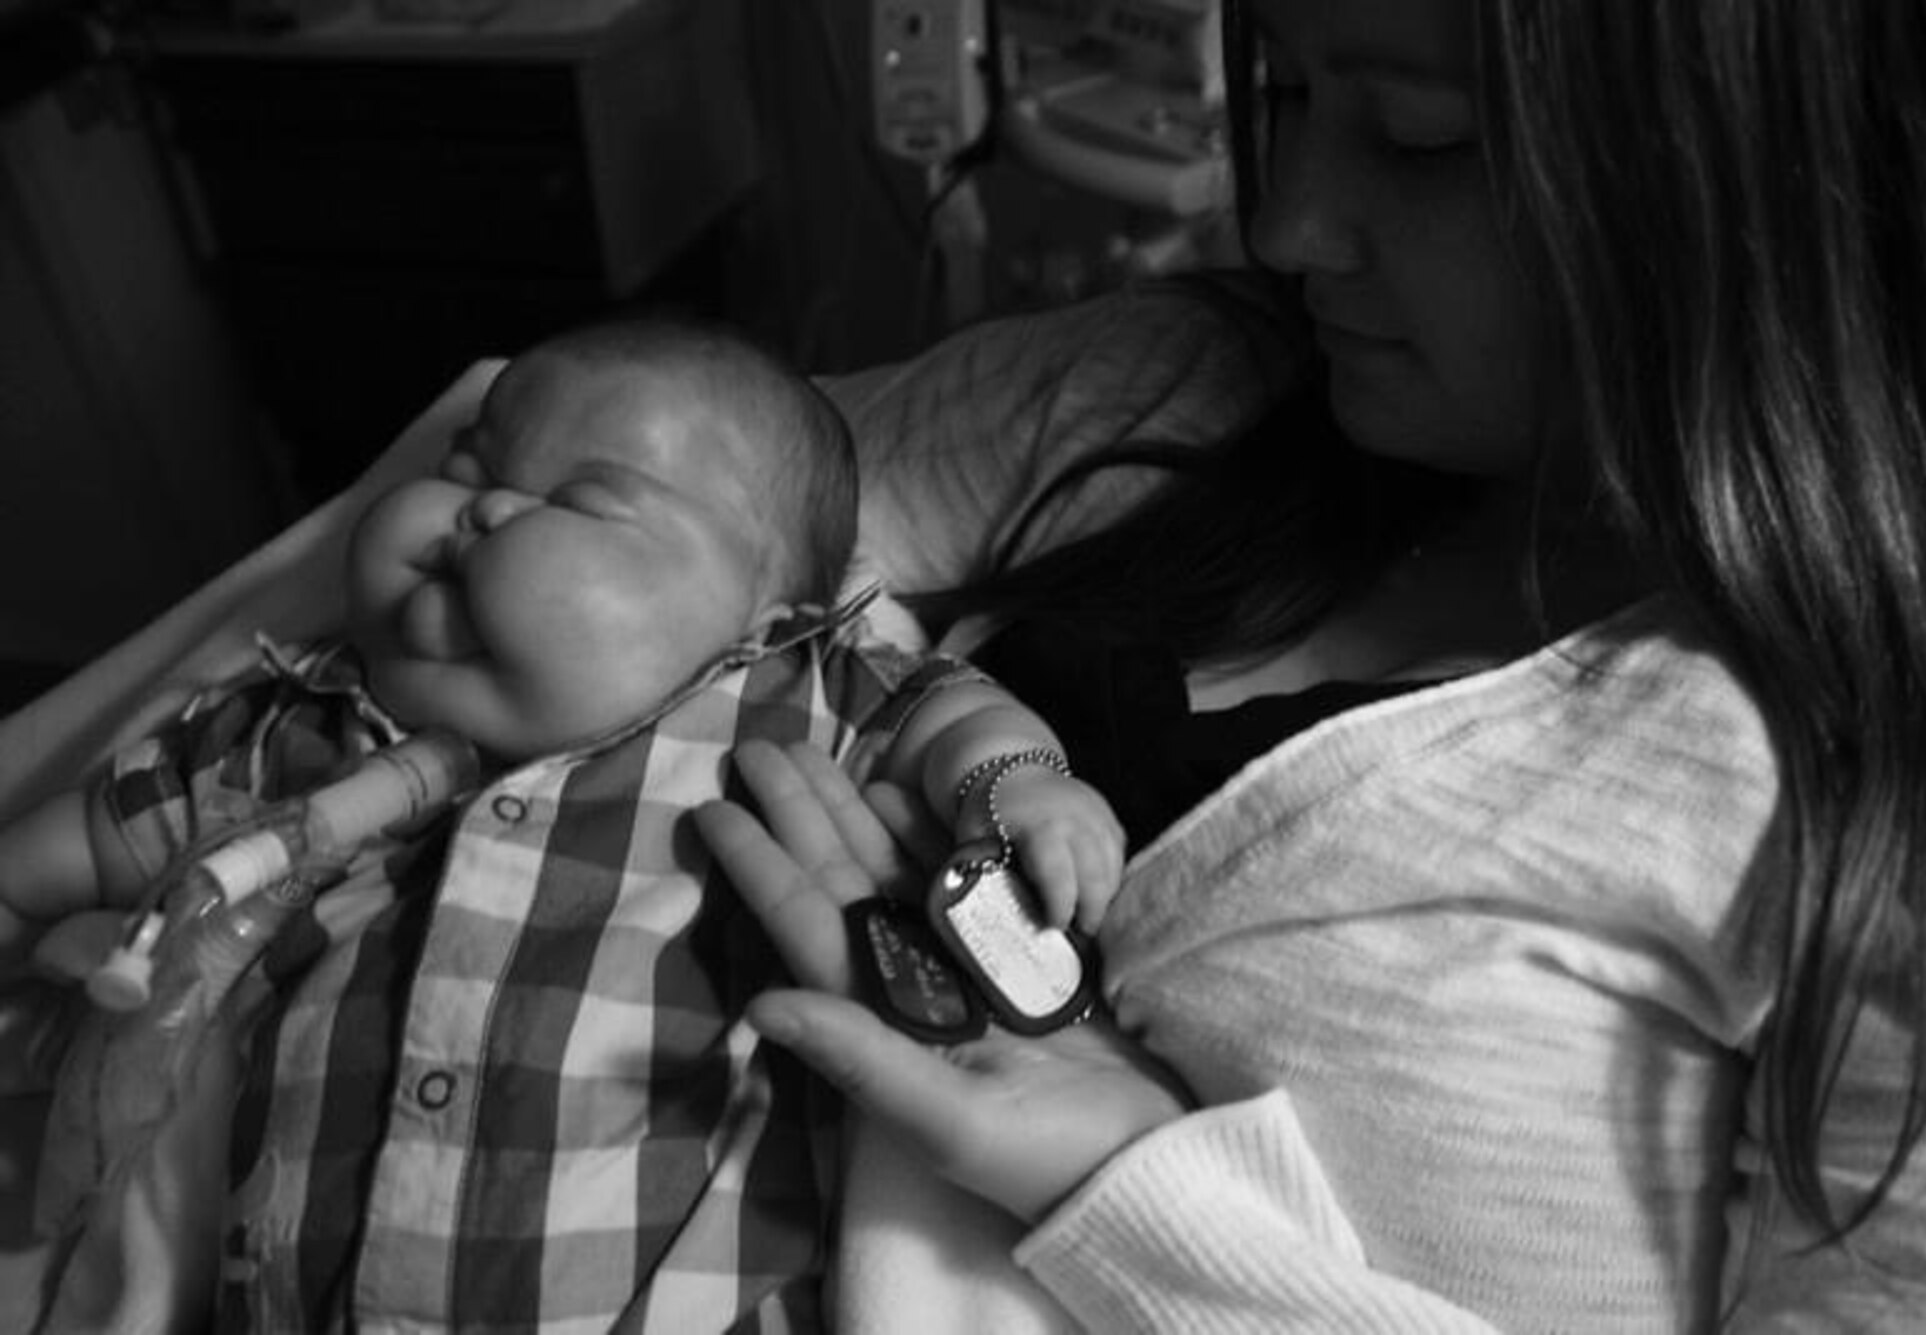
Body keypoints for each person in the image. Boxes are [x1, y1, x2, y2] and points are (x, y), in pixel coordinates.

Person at [690, 0, 1926, 1330]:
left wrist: (1131, 1190)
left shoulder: (1896, 794)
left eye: (1427, 137)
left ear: (1766, 180)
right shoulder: (1187, 386)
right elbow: (579, 462)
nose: (1290, 224)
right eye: (1287, 97)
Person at [0, 313, 1122, 1332]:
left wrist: (1016, 788)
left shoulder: (783, 701)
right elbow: (80, 851)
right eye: (469, 467)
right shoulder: (294, 722)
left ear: (765, 617)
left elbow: (948, 721)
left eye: (581, 501)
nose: (479, 508)